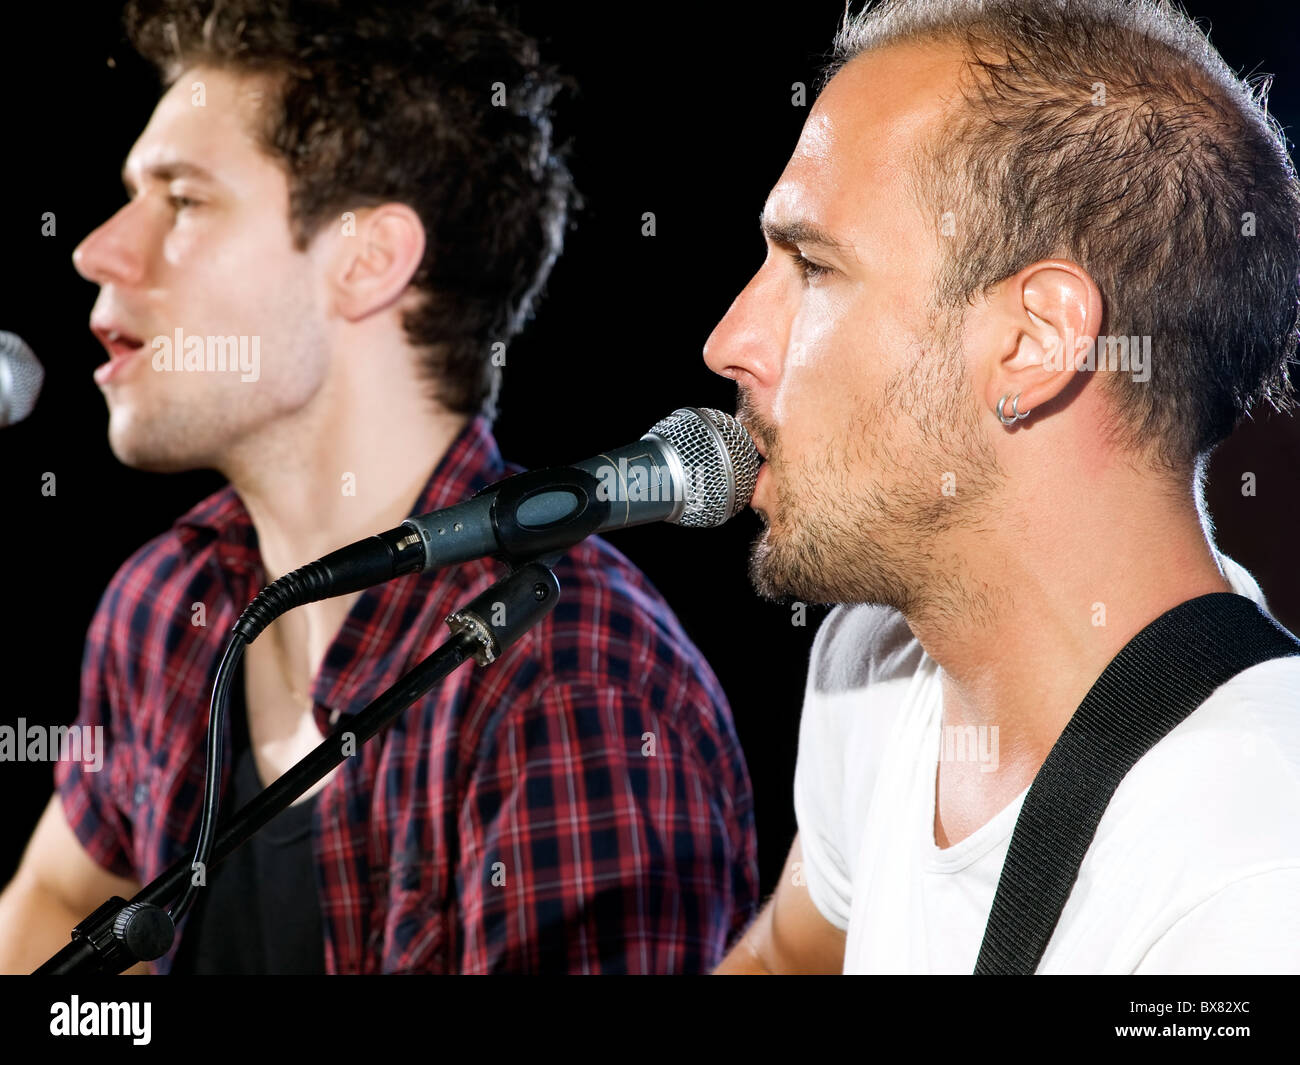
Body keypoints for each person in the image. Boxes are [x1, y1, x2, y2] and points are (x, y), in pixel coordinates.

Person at [0, 0, 758, 974]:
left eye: (181, 200)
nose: (98, 249)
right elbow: (60, 896)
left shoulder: (578, 690)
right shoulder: (166, 603)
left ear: (365, 262)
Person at [707, 0, 1300, 974]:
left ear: (1032, 345)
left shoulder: (1254, 872)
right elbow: (781, 959)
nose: (727, 341)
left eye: (811, 265)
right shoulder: (873, 665)